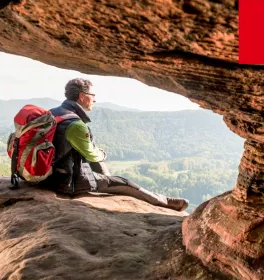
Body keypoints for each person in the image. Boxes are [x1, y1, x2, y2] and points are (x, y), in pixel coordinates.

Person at [45, 78, 189, 212]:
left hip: (49, 176)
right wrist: (102, 154)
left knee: (107, 172)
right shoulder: (75, 125)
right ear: (82, 96)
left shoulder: (53, 113)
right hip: (67, 181)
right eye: (93, 95)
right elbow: (92, 155)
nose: (95, 99)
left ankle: (108, 180)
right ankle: (165, 203)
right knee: (125, 183)